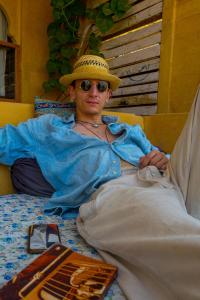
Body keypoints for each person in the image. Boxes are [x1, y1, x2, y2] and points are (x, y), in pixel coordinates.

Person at [0, 54, 200, 299]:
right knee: (170, 223)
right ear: (72, 92)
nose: (93, 92)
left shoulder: (129, 130)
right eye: (85, 85)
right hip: (118, 192)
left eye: (101, 86)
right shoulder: (49, 129)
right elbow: (3, 141)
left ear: (108, 95)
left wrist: (162, 158)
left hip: (165, 176)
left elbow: (159, 154)